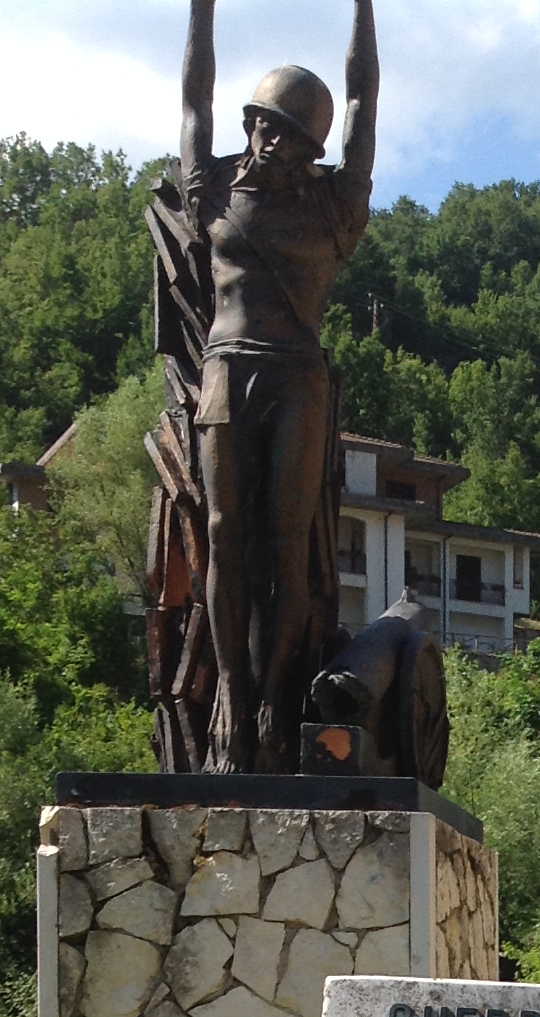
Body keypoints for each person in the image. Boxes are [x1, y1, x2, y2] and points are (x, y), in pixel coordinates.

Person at [180, 0, 378, 772]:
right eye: (260, 123)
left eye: (284, 133)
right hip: (226, 369)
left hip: (298, 377)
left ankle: (274, 699)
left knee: (286, 544)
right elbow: (193, 96)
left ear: (308, 149)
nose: (265, 139)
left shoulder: (336, 207)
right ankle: (232, 688)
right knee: (229, 534)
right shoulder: (214, 189)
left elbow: (362, 95)